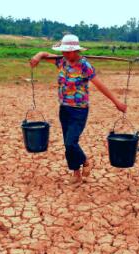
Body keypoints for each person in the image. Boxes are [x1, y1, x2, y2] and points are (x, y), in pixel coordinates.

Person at [30, 34, 127, 184]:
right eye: (63, 51)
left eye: (68, 52)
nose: (65, 54)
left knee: (71, 142)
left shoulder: (84, 66)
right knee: (67, 144)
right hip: (64, 109)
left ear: (76, 51)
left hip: (79, 110)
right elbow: (44, 54)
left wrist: (116, 102)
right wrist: (37, 57)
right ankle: (76, 174)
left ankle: (85, 161)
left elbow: (99, 85)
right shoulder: (61, 61)